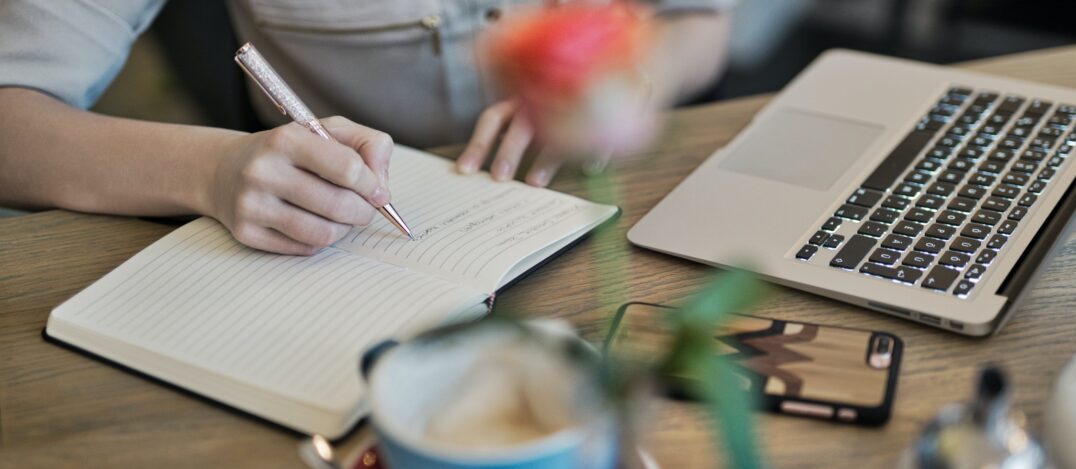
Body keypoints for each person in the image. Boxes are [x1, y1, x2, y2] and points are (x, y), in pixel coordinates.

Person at [0, 1, 732, 255]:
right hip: (330, 249)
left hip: (609, 210)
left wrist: (629, 80)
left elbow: (700, 20)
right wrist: (211, 170)